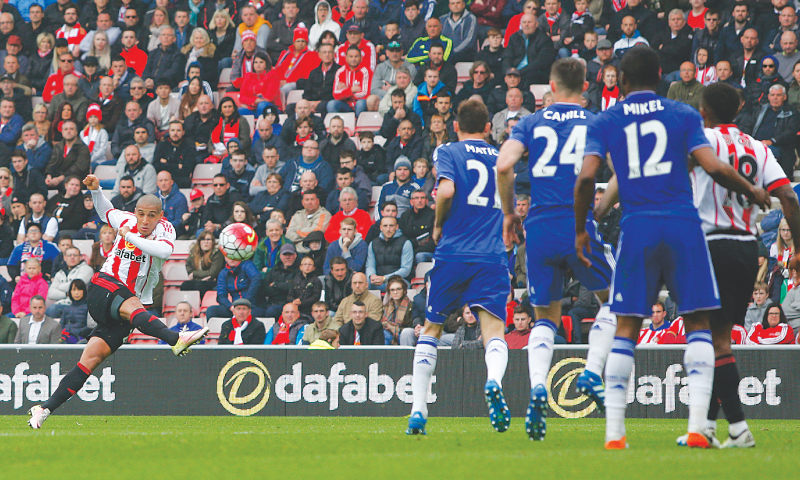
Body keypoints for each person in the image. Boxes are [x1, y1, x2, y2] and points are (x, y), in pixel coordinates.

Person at [574, 46, 769, 449]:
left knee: (626, 326)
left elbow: (586, 179)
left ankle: (615, 434)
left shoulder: (607, 119)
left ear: (622, 81)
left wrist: (581, 229)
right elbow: (712, 166)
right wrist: (750, 187)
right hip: (683, 226)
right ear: (661, 76)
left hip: (637, 226)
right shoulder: (682, 114)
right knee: (698, 323)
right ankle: (699, 428)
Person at [27, 174, 208, 428]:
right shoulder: (126, 219)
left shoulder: (166, 229)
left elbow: (164, 251)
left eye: (152, 215)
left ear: (160, 215)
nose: (145, 220)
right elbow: (106, 212)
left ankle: (44, 409)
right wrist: (97, 190)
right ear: (135, 212)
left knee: (91, 359)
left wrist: (129, 237)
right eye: (141, 214)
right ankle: (175, 339)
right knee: (133, 306)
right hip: (105, 286)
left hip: (127, 306)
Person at [496, 58, 616, 438]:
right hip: (576, 223)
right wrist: (600, 207)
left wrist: (509, 214)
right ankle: (593, 372)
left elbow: (503, 167)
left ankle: (536, 386)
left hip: (540, 228)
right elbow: (623, 175)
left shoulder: (531, 122)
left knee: (544, 316)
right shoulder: (594, 122)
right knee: (615, 300)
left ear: (550, 84)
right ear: (585, 84)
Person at [406, 99, 509, 435]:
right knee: (493, 331)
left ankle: (418, 411)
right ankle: (493, 382)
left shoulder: (449, 151)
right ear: (488, 128)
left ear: (455, 125)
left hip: (453, 252)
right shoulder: (500, 158)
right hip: (491, 254)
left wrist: (437, 224)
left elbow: (447, 189)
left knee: (432, 329)